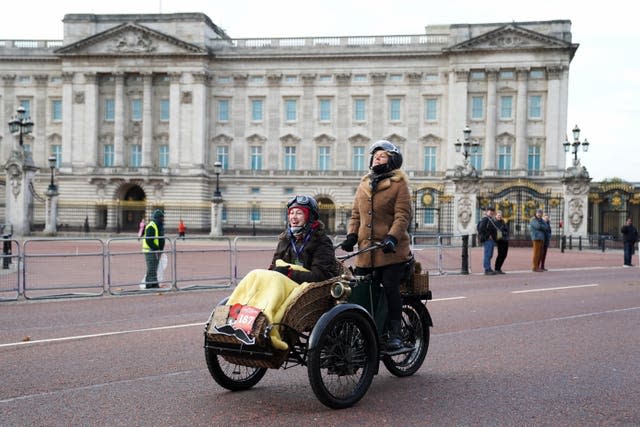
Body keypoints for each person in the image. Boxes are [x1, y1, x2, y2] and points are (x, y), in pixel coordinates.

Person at [339, 140, 412, 351]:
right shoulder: (363, 184)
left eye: (382, 156)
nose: (377, 158)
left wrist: (392, 237)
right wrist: (352, 236)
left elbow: (402, 215)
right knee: (356, 291)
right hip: (366, 253)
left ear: (392, 161)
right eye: (375, 156)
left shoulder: (399, 184)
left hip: (391, 252)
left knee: (390, 287)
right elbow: (355, 215)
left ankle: (396, 335)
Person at [268, 195, 338, 283]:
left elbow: (321, 276)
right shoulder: (285, 239)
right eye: (291, 213)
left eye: (299, 213)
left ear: (310, 217)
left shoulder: (321, 241)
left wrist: (289, 274)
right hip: (282, 283)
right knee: (256, 276)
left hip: (306, 290)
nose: (293, 217)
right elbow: (274, 265)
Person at [142, 209, 165, 288]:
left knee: (153, 268)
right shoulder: (151, 226)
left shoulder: (159, 226)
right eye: (161, 218)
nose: (162, 219)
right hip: (150, 250)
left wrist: (161, 249)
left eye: (163, 218)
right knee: (152, 267)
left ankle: (151, 284)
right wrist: (157, 248)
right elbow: (149, 240)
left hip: (156, 250)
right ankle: (152, 285)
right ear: (156, 218)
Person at [477, 206, 498, 275]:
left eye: (492, 211)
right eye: (490, 211)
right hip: (487, 239)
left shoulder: (491, 219)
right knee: (488, 254)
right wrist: (488, 235)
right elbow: (480, 229)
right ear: (487, 212)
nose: (491, 212)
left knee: (490, 254)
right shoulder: (485, 219)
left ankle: (488, 268)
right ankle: (487, 269)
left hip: (491, 240)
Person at [494, 210, 509, 274]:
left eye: (500, 215)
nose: (499, 216)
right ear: (496, 216)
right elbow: (497, 232)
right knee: (500, 254)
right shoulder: (495, 222)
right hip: (500, 240)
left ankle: (499, 268)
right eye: (498, 215)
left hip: (505, 240)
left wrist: (504, 234)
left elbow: (506, 230)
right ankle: (497, 268)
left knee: (505, 255)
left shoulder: (503, 222)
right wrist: (502, 234)